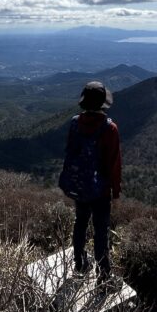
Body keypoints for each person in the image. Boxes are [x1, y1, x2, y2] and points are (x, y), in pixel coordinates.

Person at [59, 81, 122, 286]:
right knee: (100, 231)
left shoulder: (75, 123)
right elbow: (114, 164)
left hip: (79, 186)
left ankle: (80, 265)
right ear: (103, 103)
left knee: (80, 222)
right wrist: (116, 192)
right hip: (100, 190)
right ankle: (103, 276)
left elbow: (70, 152)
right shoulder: (109, 128)